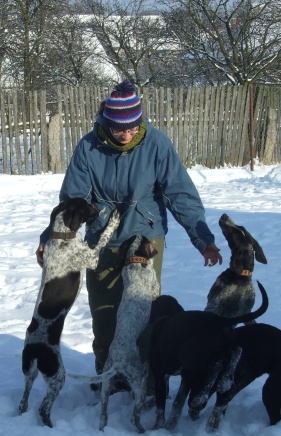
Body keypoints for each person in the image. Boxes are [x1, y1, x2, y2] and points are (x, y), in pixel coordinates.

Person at [35, 80, 222, 382]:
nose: (126, 135)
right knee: (105, 314)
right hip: (102, 240)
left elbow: (180, 194)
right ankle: (108, 378)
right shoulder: (89, 146)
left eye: (133, 128)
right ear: (107, 122)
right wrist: (50, 239)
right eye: (119, 129)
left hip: (145, 240)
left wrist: (203, 240)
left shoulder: (157, 144)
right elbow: (72, 201)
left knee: (144, 314)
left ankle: (147, 378)